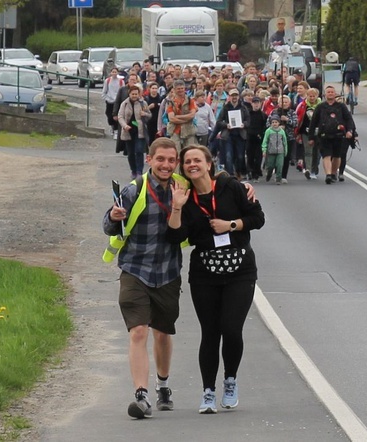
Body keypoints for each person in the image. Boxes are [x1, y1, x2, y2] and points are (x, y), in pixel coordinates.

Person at [167, 145, 265, 414]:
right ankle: (208, 392)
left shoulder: (232, 187)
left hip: (240, 270)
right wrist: (176, 208)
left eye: (197, 160)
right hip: (204, 273)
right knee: (210, 333)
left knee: (231, 329)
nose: (192, 164)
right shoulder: (183, 196)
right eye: (187, 161)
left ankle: (230, 381)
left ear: (209, 164)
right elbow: (176, 238)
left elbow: (258, 218)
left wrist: (230, 225)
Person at [102, 138, 186, 419]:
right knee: (138, 331)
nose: (165, 165)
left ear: (176, 162)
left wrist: (244, 187)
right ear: (149, 160)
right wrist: (114, 217)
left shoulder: (182, 187)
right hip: (135, 269)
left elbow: (212, 185)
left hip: (168, 271)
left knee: (162, 333)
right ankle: (141, 395)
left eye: (170, 160)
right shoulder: (135, 189)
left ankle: (163, 385)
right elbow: (108, 223)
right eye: (159, 159)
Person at [307, 85, 355, 184]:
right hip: (324, 135)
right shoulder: (320, 107)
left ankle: (333, 173)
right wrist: (311, 137)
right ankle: (328, 175)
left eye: (332, 92)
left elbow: (349, 119)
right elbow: (313, 122)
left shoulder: (341, 107)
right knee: (326, 155)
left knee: (337, 156)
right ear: (324, 94)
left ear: (335, 94)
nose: (330, 93)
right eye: (328, 92)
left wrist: (350, 131)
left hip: (339, 135)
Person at [118, 85, 152, 179]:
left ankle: (139, 171)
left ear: (138, 94)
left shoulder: (143, 103)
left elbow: (149, 115)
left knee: (139, 150)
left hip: (139, 131)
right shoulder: (124, 104)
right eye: (132, 94)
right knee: (131, 153)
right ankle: (133, 170)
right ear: (129, 94)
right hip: (128, 131)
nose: (134, 96)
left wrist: (144, 114)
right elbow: (120, 116)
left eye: (136, 94)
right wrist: (125, 126)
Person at [216, 88, 250, 178]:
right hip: (228, 136)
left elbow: (248, 120)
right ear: (229, 97)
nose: (234, 97)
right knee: (228, 156)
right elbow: (219, 121)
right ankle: (230, 175)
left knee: (240, 156)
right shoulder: (225, 107)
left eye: (236, 95)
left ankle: (239, 171)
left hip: (240, 135)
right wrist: (226, 125)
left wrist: (244, 124)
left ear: (238, 97)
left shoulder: (243, 108)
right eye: (232, 96)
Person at [268, 95, 297, 183]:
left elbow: (296, 123)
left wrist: (287, 120)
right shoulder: (274, 112)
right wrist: (277, 127)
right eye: (282, 102)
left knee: (286, 157)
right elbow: (267, 124)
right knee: (276, 157)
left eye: (285, 102)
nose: (284, 104)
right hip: (275, 139)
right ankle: (277, 173)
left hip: (288, 137)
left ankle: (283, 175)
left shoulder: (292, 112)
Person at [295, 87, 321, 179]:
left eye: (314, 96)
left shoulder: (321, 106)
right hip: (305, 132)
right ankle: (308, 169)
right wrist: (297, 132)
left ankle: (314, 169)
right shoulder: (302, 105)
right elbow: (298, 118)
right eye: (310, 96)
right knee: (308, 151)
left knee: (317, 152)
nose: (312, 98)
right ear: (307, 96)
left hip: (319, 132)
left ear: (317, 96)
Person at [166, 79, 198, 151]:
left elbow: (192, 115)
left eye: (182, 88)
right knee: (176, 153)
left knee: (189, 152)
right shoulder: (170, 102)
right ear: (174, 89)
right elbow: (171, 119)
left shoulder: (190, 100)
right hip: (174, 130)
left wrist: (178, 117)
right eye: (178, 89)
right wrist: (186, 119)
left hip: (188, 130)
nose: (180, 90)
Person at [246, 96, 267, 182]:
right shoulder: (248, 114)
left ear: (260, 103)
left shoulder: (263, 115)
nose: (256, 104)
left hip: (259, 139)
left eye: (257, 102)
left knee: (258, 158)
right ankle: (250, 171)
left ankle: (256, 174)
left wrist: (262, 135)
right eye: (254, 103)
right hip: (249, 138)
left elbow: (265, 127)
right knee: (250, 157)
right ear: (252, 104)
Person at [102, 67, 124, 140]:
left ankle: (116, 131)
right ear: (111, 73)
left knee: (116, 117)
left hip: (118, 102)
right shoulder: (107, 81)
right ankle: (112, 126)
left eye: (115, 72)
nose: (114, 73)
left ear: (117, 73)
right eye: (113, 72)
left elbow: (123, 91)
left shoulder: (121, 81)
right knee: (109, 116)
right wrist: (106, 98)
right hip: (109, 101)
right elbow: (104, 91)